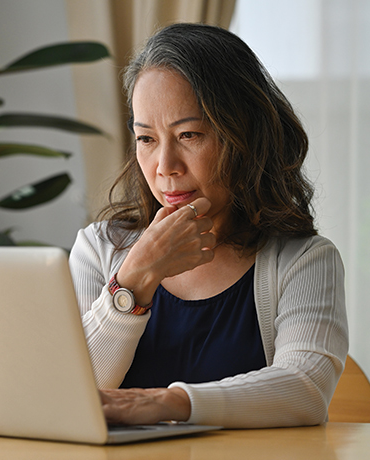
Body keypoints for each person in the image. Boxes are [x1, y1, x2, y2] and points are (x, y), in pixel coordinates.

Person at [69, 23, 348, 428]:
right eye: (146, 139)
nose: (165, 167)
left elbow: (305, 388)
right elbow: (73, 392)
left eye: (189, 134)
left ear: (243, 138)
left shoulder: (303, 260)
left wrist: (168, 403)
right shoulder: (99, 249)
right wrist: (134, 279)